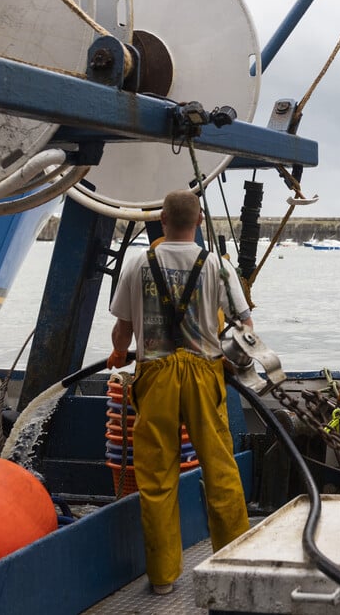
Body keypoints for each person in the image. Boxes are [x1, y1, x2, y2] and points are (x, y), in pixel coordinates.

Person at [107, 189, 251, 595]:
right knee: (220, 469)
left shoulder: (138, 263)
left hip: (154, 374)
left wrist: (120, 353)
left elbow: (122, 329)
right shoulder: (217, 266)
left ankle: (164, 578)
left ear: (163, 221)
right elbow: (246, 327)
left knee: (156, 478)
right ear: (200, 221)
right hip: (205, 374)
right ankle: (234, 565)